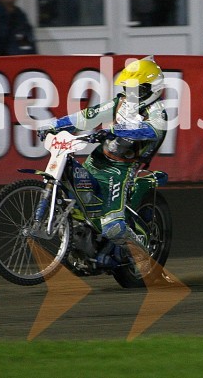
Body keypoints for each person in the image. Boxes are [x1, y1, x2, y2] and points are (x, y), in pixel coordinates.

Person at [38, 56, 168, 266]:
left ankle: (142, 255)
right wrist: (53, 125)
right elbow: (86, 116)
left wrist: (114, 130)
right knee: (73, 197)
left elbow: (152, 131)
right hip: (97, 160)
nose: (132, 94)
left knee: (112, 226)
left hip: (122, 169)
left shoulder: (157, 111)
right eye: (129, 88)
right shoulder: (120, 102)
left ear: (152, 89)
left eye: (138, 90)